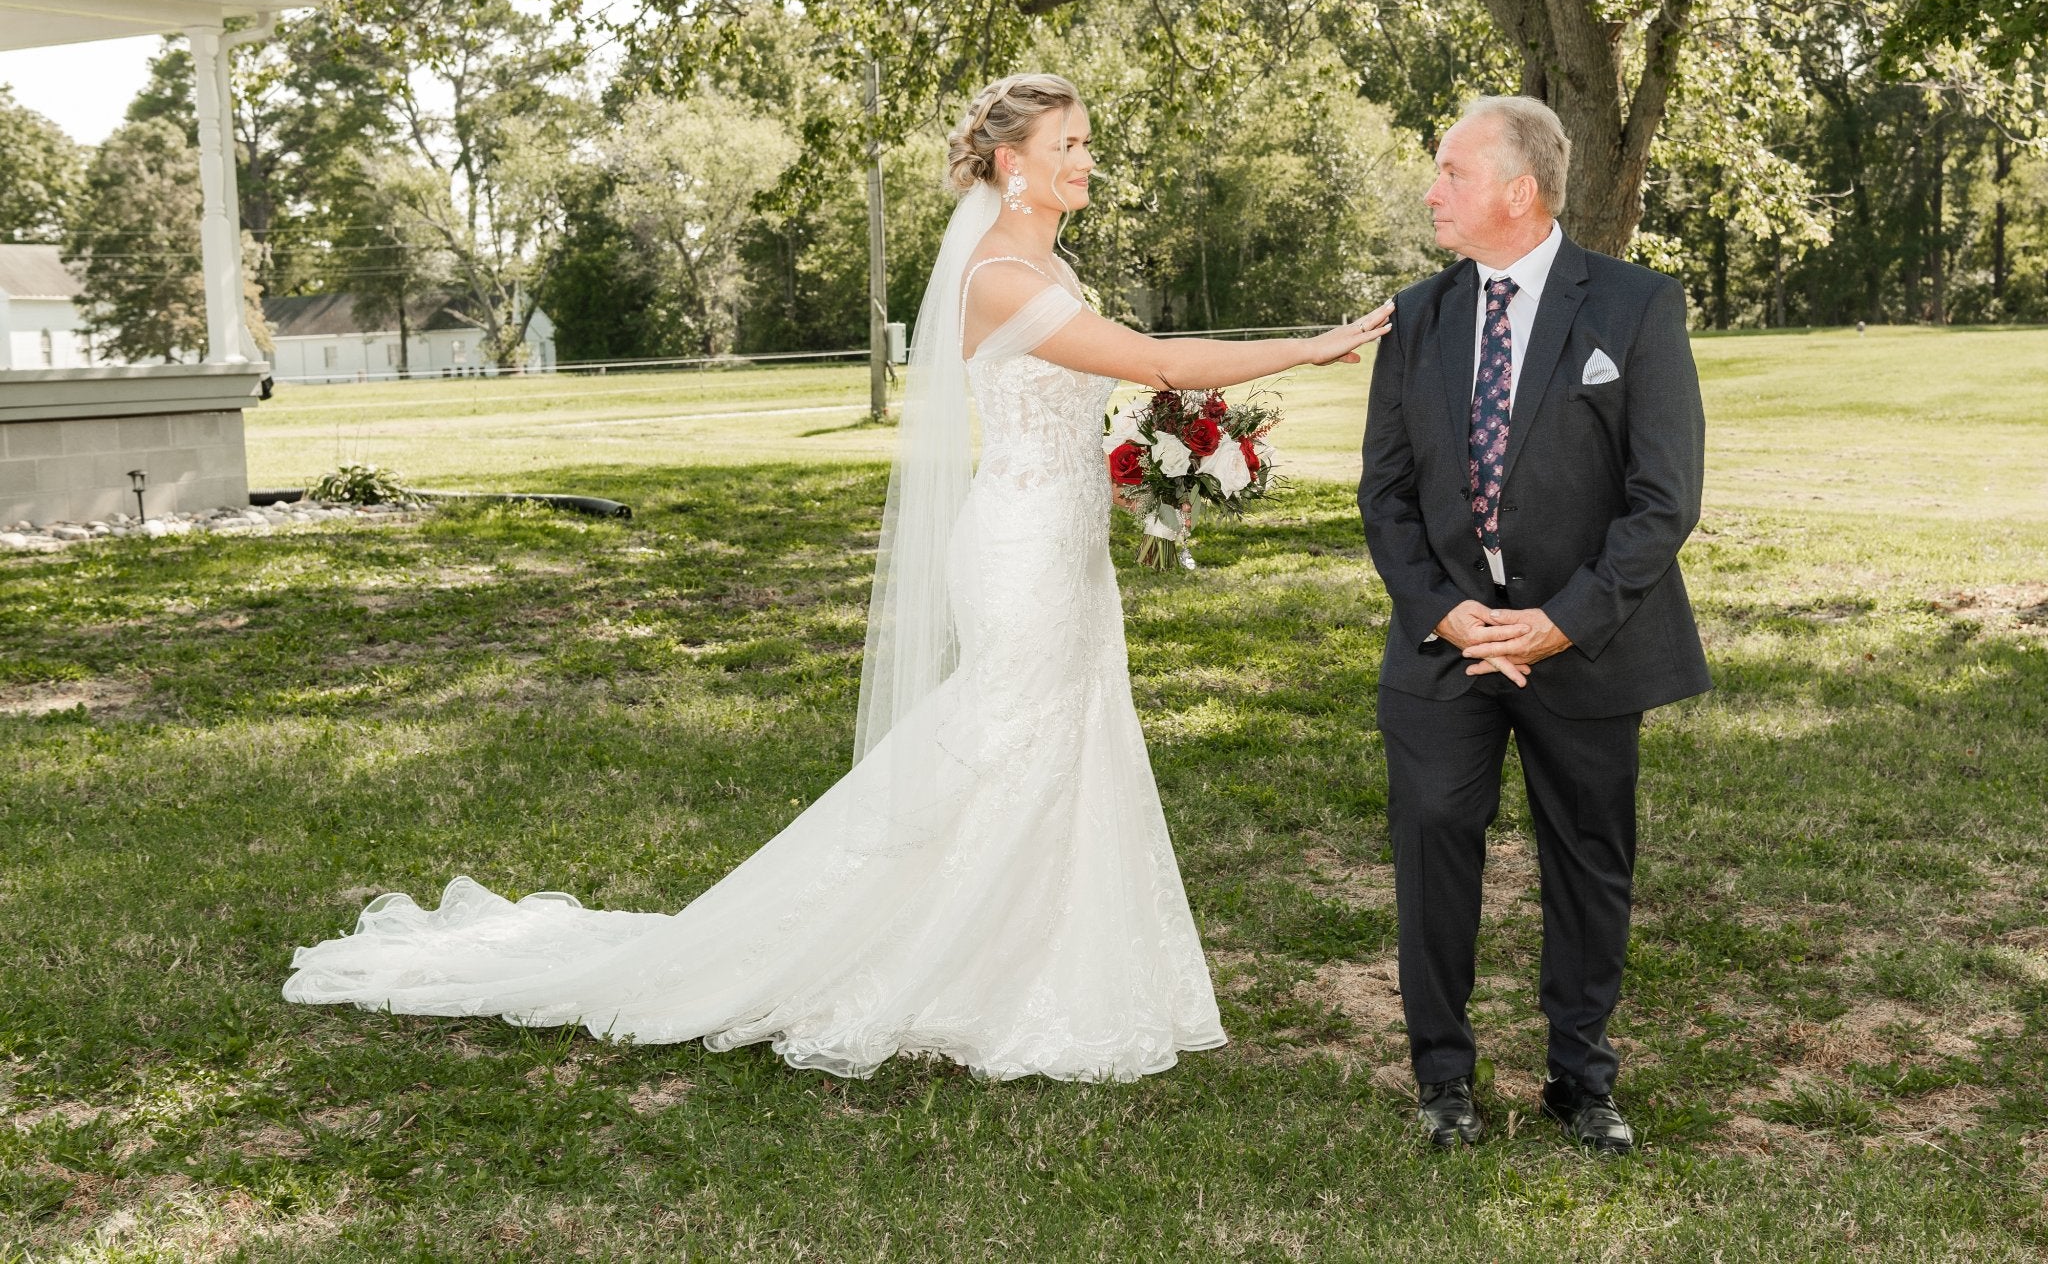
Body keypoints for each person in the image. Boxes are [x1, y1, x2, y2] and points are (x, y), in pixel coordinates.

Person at [284, 73, 1392, 1083]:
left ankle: (1036, 964)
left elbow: (1082, 389)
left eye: (1086, 143)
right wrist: (1307, 346)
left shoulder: (1049, 263)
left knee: (1066, 740)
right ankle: (898, 954)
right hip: (1015, 552)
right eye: (1070, 143)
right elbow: (1153, 359)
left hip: (1062, 542)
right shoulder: (1002, 273)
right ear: (1014, 161)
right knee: (1007, 741)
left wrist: (1142, 462)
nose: (1085, 159)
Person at [1359, 95, 1709, 1151]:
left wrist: (1561, 621)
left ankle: (1580, 1079)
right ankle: (1442, 1082)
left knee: (1588, 861)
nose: (1432, 189)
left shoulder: (1637, 307)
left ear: (1518, 189)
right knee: (1432, 849)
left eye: (1450, 171)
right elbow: (1383, 492)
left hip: (1586, 644)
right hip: (1445, 646)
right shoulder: (1415, 314)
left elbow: (1664, 498)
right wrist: (1441, 609)